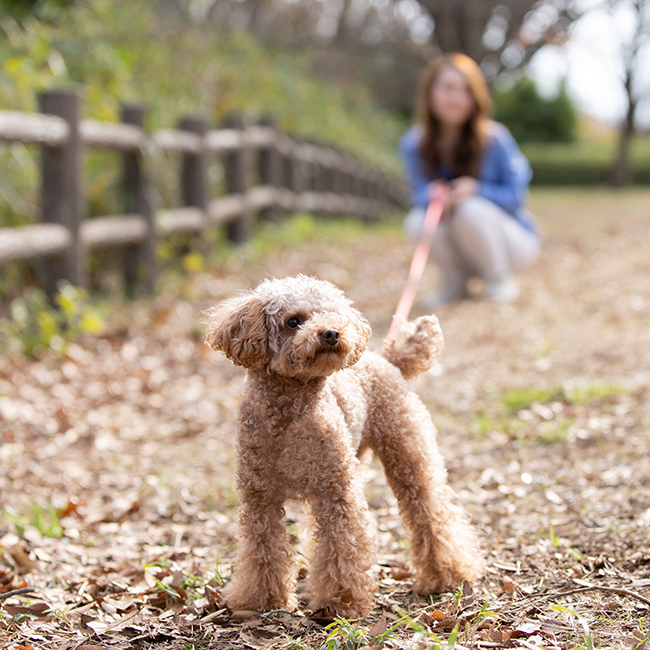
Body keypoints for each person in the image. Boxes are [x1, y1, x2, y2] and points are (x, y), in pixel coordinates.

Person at [400, 53, 540, 304]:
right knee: (417, 220)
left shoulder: (496, 138)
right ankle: (455, 281)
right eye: (448, 88)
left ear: (476, 96)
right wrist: (433, 195)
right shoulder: (414, 143)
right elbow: (418, 192)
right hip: (460, 245)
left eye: (466, 90)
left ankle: (499, 279)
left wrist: (476, 190)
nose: (457, 98)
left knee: (470, 208)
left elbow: (517, 197)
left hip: (512, 243)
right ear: (430, 92)